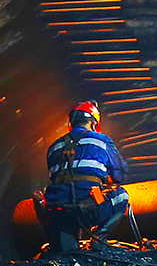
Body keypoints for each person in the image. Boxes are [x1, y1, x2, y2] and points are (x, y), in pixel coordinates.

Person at [36, 101, 132, 252]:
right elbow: (120, 176)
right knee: (122, 196)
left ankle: (61, 242)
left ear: (71, 123)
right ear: (94, 123)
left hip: (57, 213)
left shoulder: (54, 147)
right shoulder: (102, 141)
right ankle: (99, 239)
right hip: (89, 211)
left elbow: (57, 179)